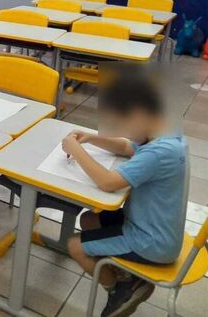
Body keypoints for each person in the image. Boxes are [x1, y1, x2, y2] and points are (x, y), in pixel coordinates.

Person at [64, 72, 187, 317]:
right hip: (152, 224)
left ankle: (121, 289)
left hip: (151, 240)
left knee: (75, 247)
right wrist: (90, 138)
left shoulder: (158, 152)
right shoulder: (165, 135)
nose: (126, 132)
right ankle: (126, 274)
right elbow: (125, 146)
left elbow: (108, 183)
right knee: (88, 219)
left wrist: (75, 149)